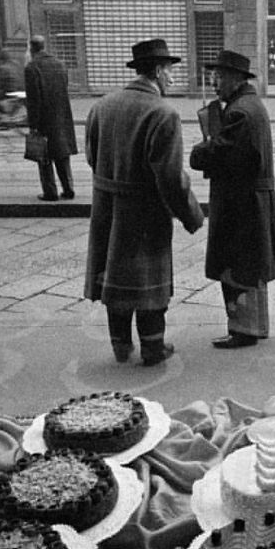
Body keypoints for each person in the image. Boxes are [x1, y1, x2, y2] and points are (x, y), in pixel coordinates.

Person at [84, 38, 204, 366]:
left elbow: (92, 158)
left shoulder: (101, 107)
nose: (172, 78)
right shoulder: (162, 113)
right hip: (144, 214)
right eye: (169, 71)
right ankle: (152, 347)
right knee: (148, 285)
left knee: (115, 281)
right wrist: (192, 214)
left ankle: (120, 344)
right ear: (157, 71)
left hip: (107, 210)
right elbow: (169, 178)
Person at [190, 49, 275, 349]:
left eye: (219, 77)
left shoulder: (239, 113)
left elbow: (221, 154)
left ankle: (242, 331)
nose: (215, 83)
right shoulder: (250, 105)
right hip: (251, 200)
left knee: (237, 265)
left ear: (234, 78)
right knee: (251, 264)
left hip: (239, 203)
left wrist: (199, 151)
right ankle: (255, 326)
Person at [25, 36, 77, 201]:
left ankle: (50, 192)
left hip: (44, 118)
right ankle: (68, 189)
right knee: (62, 154)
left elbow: (33, 99)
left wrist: (33, 124)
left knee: (44, 156)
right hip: (62, 116)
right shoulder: (60, 64)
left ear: (31, 48)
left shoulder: (32, 67)